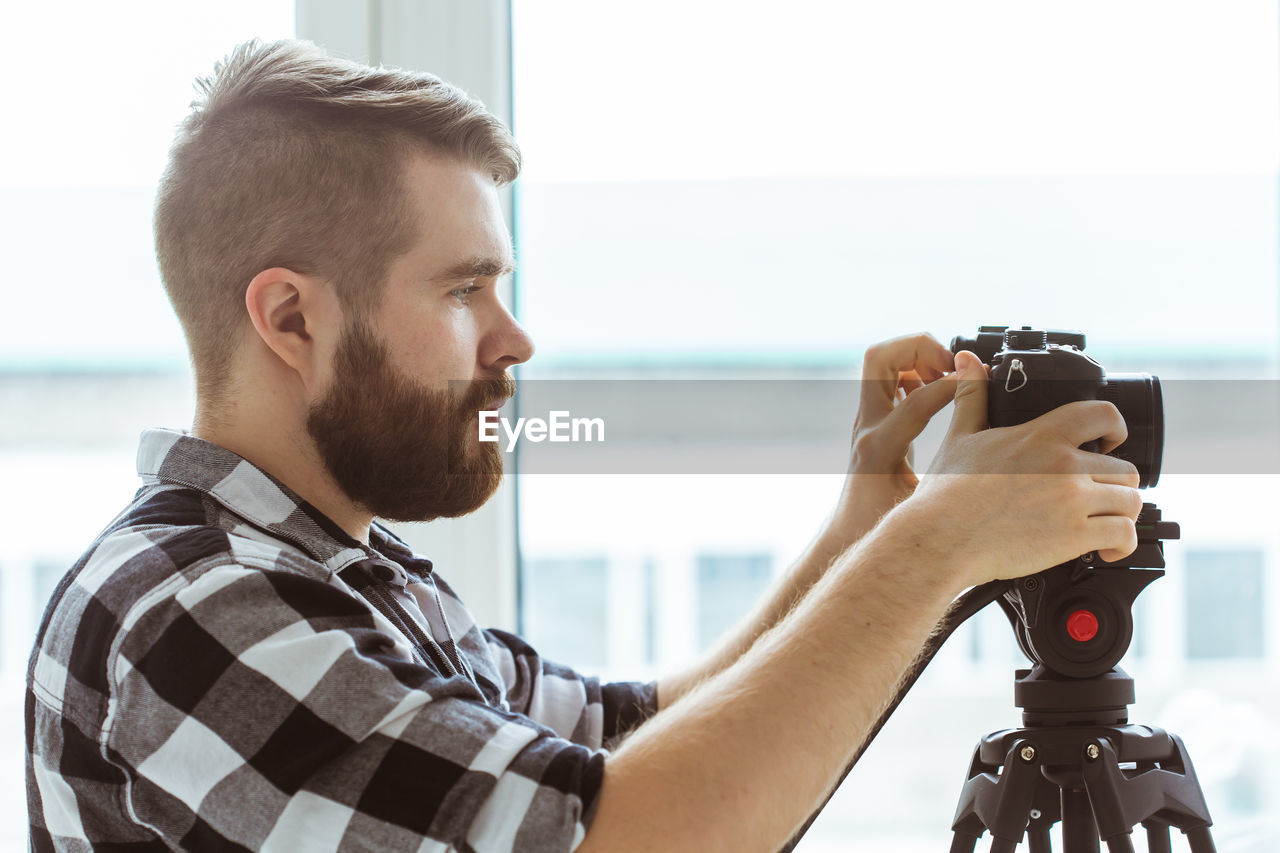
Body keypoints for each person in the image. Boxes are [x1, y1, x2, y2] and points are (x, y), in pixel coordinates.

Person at [25, 39, 1143, 852]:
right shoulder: (194, 614)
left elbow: (638, 736)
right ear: (292, 319)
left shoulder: (335, 577)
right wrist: (934, 548)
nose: (513, 339)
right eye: (464, 290)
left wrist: (873, 524)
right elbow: (618, 836)